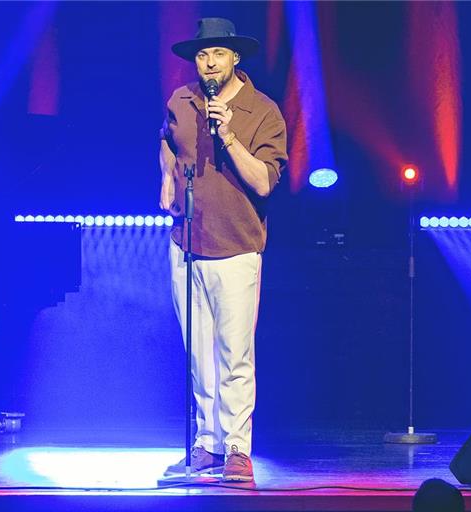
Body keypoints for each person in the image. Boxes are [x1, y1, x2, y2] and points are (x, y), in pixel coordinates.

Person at [159, 17, 287, 483]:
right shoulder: (182, 100)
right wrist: (167, 176)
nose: (209, 62)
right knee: (199, 354)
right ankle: (207, 443)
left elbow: (264, 182)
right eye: (201, 54)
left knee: (235, 355)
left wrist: (229, 136)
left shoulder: (262, 110)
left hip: (236, 247)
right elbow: (166, 140)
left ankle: (236, 448)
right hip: (187, 243)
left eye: (217, 54)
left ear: (235, 57)